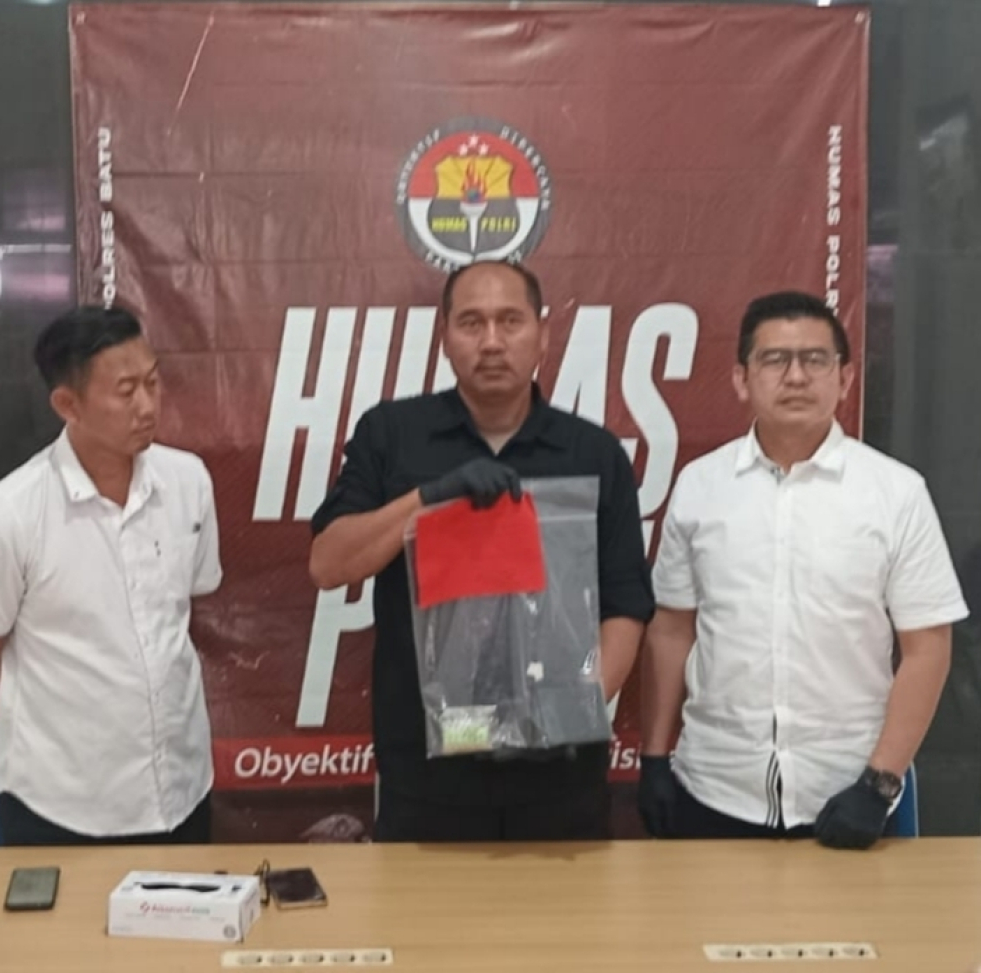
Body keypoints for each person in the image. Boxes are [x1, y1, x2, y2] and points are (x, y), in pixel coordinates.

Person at [310, 259, 654, 842]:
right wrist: (425, 500)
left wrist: (572, 709)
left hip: (562, 773)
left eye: (510, 321)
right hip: (427, 774)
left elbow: (624, 605)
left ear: (543, 335)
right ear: (445, 337)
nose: (492, 341)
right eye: (471, 323)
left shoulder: (593, 453)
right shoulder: (391, 434)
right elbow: (328, 564)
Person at [638, 290, 968, 849]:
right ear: (741, 378)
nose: (796, 376)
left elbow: (928, 649)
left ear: (845, 378)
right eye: (774, 359)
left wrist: (879, 782)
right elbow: (671, 630)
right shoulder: (700, 486)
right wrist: (652, 756)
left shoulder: (896, 493)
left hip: (850, 792)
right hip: (713, 787)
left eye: (815, 359)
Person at [0, 306, 222, 845]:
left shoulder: (188, 481)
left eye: (153, 382)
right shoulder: (6, 516)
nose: (147, 405)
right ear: (67, 405)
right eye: (126, 391)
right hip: (62, 805)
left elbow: (186, 610)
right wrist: (48, 732)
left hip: (182, 789)